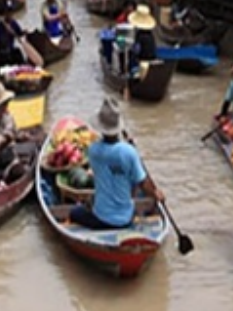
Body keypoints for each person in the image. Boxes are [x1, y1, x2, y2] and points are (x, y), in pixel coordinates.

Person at [69, 98, 164, 230]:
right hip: (126, 219)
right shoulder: (130, 152)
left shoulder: (93, 150)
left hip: (101, 218)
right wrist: (156, 194)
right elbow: (143, 183)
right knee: (131, 181)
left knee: (74, 213)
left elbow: (101, 167)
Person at [0, 82, 35, 182]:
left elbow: (16, 133)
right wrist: (6, 140)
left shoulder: (7, 117)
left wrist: (22, 137)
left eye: (7, 103)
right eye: (4, 104)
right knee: (19, 173)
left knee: (31, 153)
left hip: (11, 159)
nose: (7, 106)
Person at [0, 0, 28, 67]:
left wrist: (24, 32)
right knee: (6, 56)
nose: (9, 14)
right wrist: (8, 32)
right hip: (2, 52)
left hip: (11, 51)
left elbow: (19, 34)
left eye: (11, 12)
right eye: (7, 12)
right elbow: (2, 42)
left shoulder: (13, 23)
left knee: (18, 53)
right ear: (5, 13)